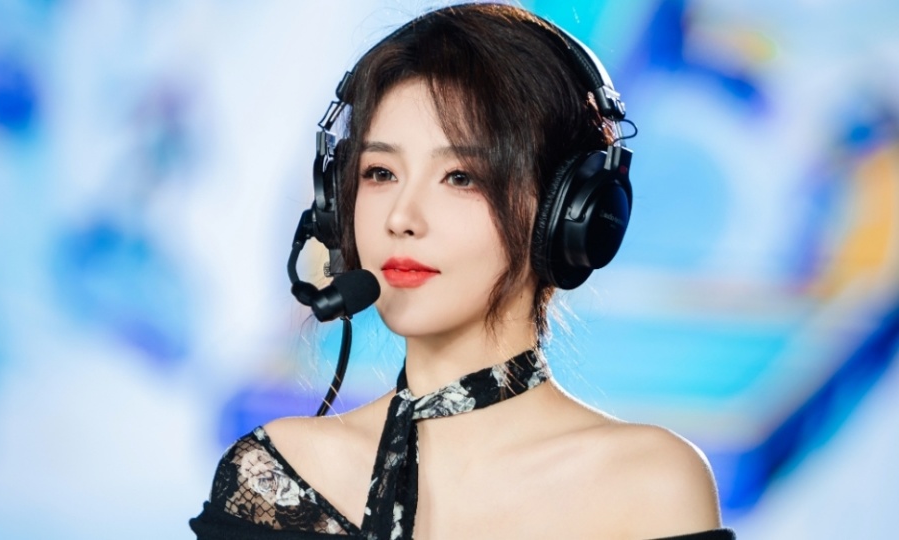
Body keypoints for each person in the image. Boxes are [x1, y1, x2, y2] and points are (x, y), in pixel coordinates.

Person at [191, 3, 734, 539]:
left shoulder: (648, 484)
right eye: (380, 173)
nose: (401, 218)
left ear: (569, 213)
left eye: (460, 177)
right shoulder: (276, 476)